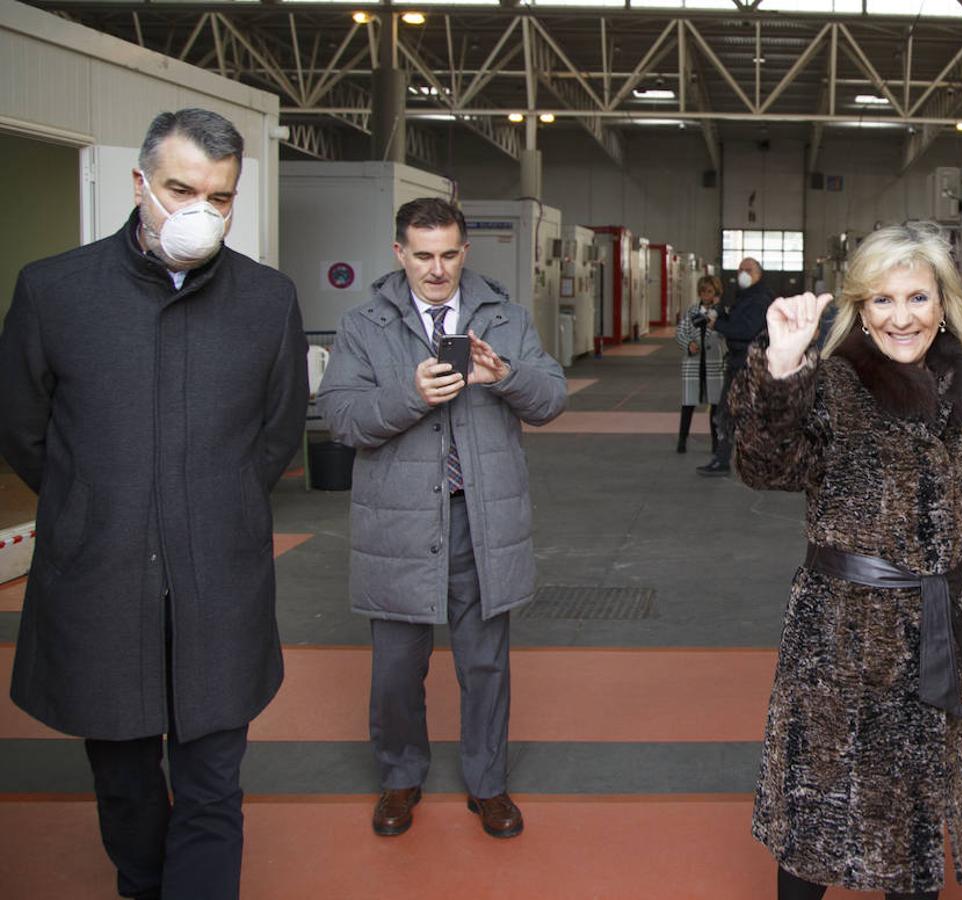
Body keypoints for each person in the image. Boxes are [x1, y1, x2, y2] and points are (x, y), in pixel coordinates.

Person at [0, 108, 308, 899]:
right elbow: (25, 433)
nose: (200, 211)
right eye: (180, 188)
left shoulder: (267, 301)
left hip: (219, 585)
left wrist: (217, 503)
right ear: (140, 183)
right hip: (100, 580)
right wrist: (100, 503)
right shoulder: (54, 291)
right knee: (127, 786)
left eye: (221, 195)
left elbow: (275, 439)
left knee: (211, 786)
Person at [730, 222, 962, 899]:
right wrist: (781, 370)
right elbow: (765, 464)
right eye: (882, 301)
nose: (901, 318)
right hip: (837, 641)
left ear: (944, 304)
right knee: (813, 821)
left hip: (935, 637)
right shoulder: (831, 386)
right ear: (860, 309)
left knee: (919, 825)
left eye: (918, 298)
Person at [317, 197, 567, 840]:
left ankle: (488, 784)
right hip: (399, 523)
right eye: (422, 255)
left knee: (485, 663)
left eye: (449, 254)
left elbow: (551, 399)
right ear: (398, 252)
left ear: (465, 251)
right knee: (397, 668)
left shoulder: (506, 318)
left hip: (482, 521)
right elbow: (341, 417)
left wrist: (504, 374)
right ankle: (400, 777)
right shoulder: (364, 326)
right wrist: (410, 395)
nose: (436, 269)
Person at [698, 256, 773, 476]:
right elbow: (734, 317)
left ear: (758, 273)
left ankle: (760, 461)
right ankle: (723, 458)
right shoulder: (742, 296)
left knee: (747, 413)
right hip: (738, 361)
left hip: (751, 363)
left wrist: (718, 324)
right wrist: (719, 313)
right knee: (728, 411)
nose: (743, 273)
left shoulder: (760, 299)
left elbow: (746, 330)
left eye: (748, 269)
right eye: (740, 269)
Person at [676, 274, 727, 454]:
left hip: (714, 364)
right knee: (688, 404)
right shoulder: (691, 311)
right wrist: (688, 344)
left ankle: (715, 442)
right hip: (693, 363)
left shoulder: (721, 313)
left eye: (710, 291)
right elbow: (681, 332)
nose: (706, 295)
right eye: (703, 291)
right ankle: (682, 439)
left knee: (715, 405)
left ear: (716, 292)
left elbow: (726, 334)